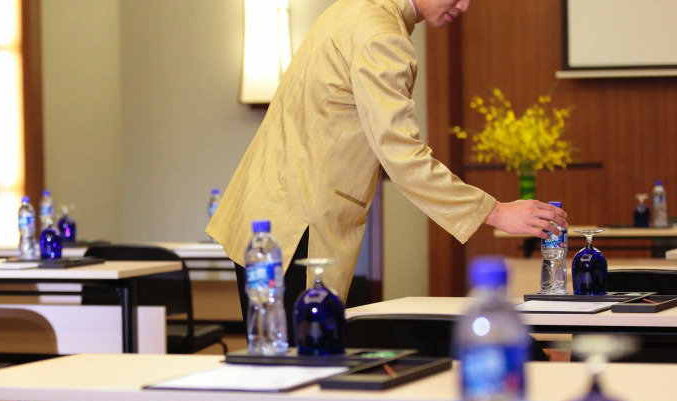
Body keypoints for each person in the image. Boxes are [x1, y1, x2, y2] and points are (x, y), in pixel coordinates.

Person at [207, 0, 569, 336]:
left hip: (267, 212)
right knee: (300, 362)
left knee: (280, 358)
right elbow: (402, 155)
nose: (465, 5)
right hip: (298, 227)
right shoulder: (382, 36)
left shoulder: (353, 8)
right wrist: (496, 212)